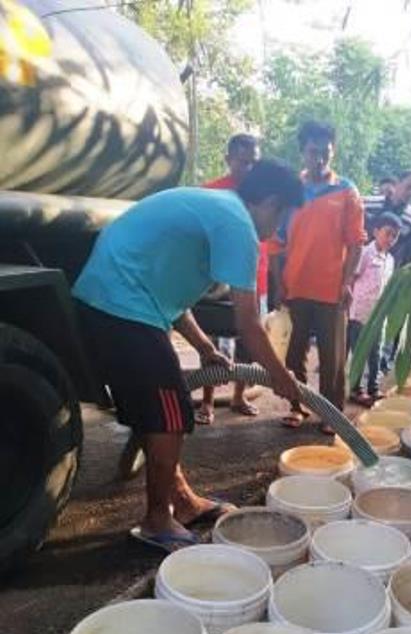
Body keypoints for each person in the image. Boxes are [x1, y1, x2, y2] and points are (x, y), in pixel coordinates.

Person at [73, 159, 303, 552]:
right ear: (270, 202)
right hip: (122, 303)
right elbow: (249, 324)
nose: (279, 228)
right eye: (283, 216)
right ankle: (156, 520)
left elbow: (173, 296)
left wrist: (205, 347)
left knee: (160, 413)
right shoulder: (237, 225)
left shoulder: (219, 207)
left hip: (114, 298)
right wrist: (283, 377)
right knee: (170, 415)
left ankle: (181, 502)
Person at [277, 120, 365, 433]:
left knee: (333, 356)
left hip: (331, 288)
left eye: (326, 152)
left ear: (333, 151)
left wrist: (346, 283)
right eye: (314, 151)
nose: (320, 158)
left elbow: (356, 243)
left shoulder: (346, 191)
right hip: (296, 284)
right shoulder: (291, 190)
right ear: (302, 151)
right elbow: (278, 240)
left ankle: (332, 413)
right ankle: (297, 406)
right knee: (294, 351)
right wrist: (279, 283)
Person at [198, 133, 266, 424]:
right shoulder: (211, 192)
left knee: (247, 343)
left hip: (253, 278)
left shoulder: (263, 196)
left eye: (254, 163)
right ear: (228, 160)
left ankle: (239, 396)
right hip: (215, 282)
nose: (249, 169)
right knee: (210, 345)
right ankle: (207, 401)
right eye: (243, 162)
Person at [347, 212, 400, 405]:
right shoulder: (365, 253)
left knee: (376, 352)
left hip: (379, 315)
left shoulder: (390, 260)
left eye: (395, 236)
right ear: (376, 231)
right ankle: (355, 389)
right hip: (360, 314)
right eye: (388, 233)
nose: (391, 239)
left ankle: (373, 387)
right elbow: (352, 279)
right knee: (360, 351)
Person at [379, 170, 411, 373]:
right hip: (365, 276)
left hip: (395, 279)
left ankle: (380, 368)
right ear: (397, 183)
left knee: (389, 326)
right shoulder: (369, 204)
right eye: (409, 187)